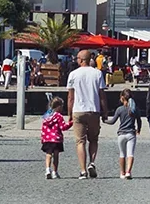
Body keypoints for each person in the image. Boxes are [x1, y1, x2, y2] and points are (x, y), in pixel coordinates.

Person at [65, 48, 105, 178]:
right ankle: (92, 163)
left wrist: (69, 113)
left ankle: (82, 170)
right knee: (93, 139)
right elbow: (102, 95)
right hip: (93, 110)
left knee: (80, 141)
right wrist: (105, 111)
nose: (76, 60)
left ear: (81, 60)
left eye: (77, 58)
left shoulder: (73, 74)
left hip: (78, 110)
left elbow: (71, 97)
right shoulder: (97, 74)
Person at [111, 91, 140, 178]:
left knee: (122, 154)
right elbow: (139, 120)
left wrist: (104, 120)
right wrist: (139, 129)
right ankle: (128, 172)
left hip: (121, 134)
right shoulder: (134, 109)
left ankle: (122, 172)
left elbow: (112, 121)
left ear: (122, 98)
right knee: (130, 154)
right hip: (131, 133)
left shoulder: (119, 109)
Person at [38, 95, 68, 178]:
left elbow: (43, 128)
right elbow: (63, 127)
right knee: (56, 155)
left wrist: (43, 138)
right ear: (58, 107)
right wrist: (71, 123)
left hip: (47, 138)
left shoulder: (46, 116)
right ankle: (55, 172)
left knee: (48, 154)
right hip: (56, 139)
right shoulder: (59, 116)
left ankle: (47, 169)